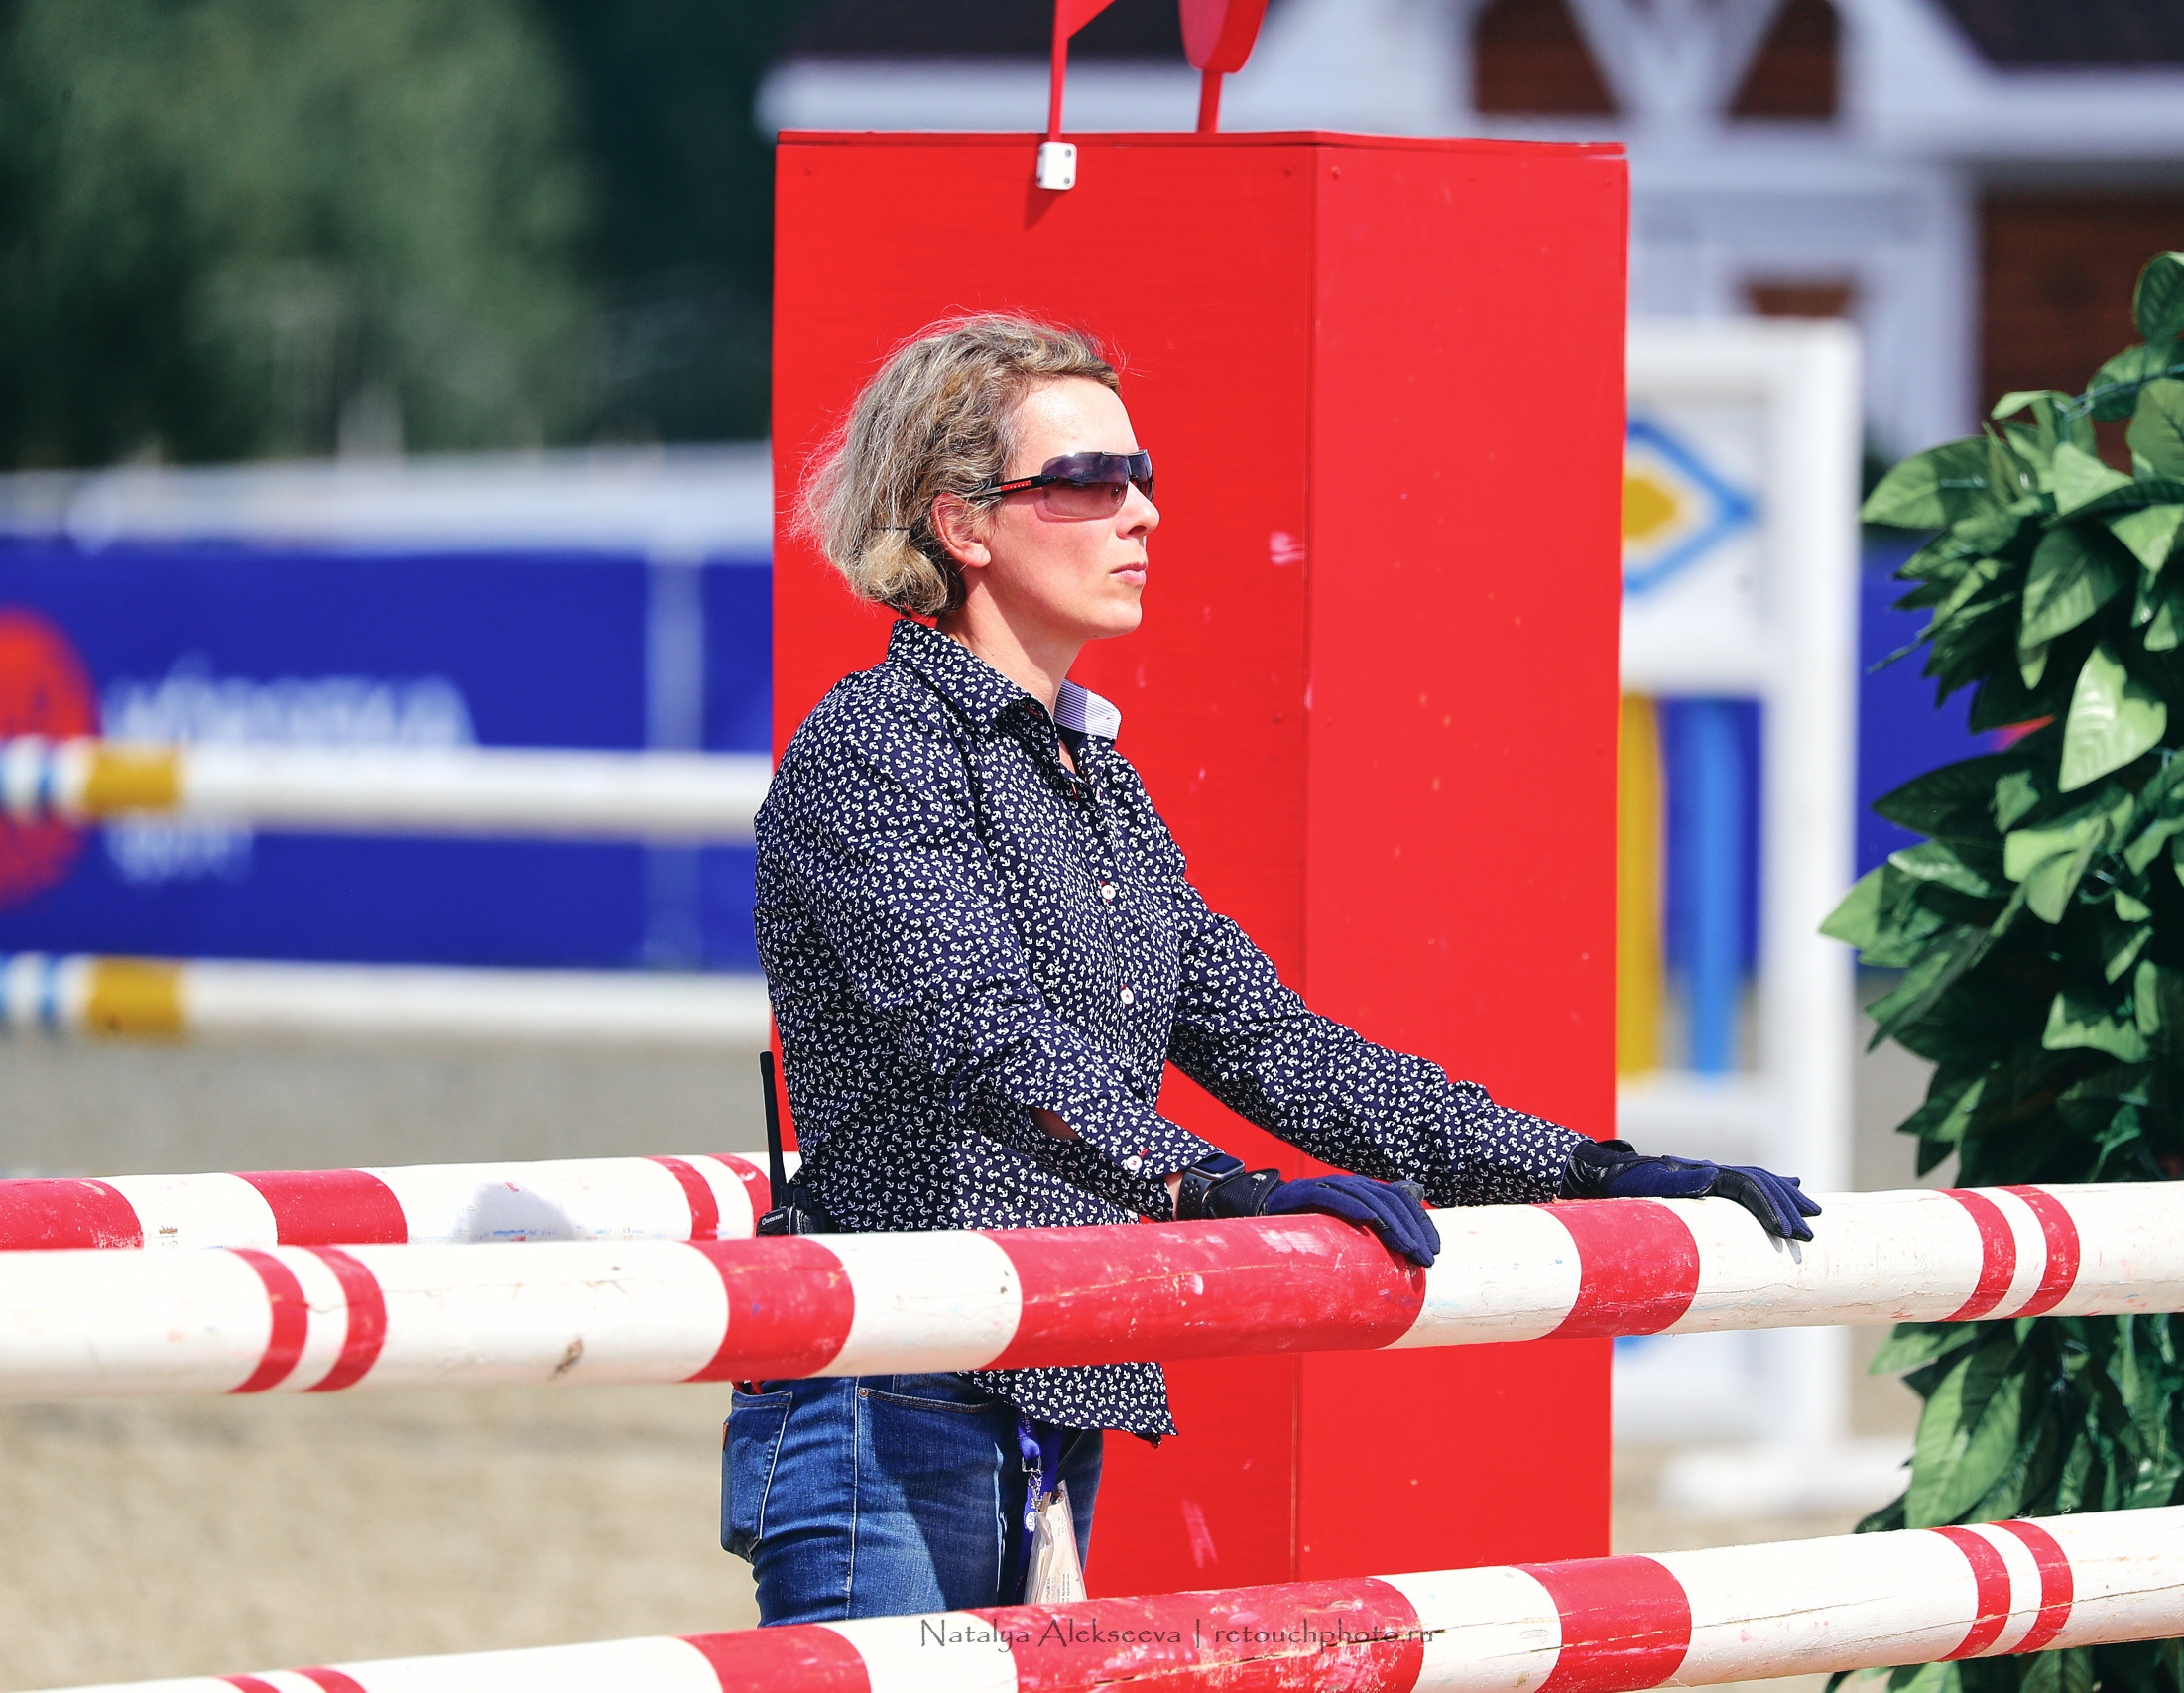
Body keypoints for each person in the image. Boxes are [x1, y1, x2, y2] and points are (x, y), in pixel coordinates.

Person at [731, 312, 1817, 1624]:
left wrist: (1596, 1168)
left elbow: (1279, 1047)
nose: (1139, 512)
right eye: (1088, 481)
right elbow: (978, 1031)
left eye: (1143, 477)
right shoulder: (870, 745)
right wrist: (1202, 1184)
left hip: (1041, 1371)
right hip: (886, 1392)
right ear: (963, 525)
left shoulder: (1095, 776)